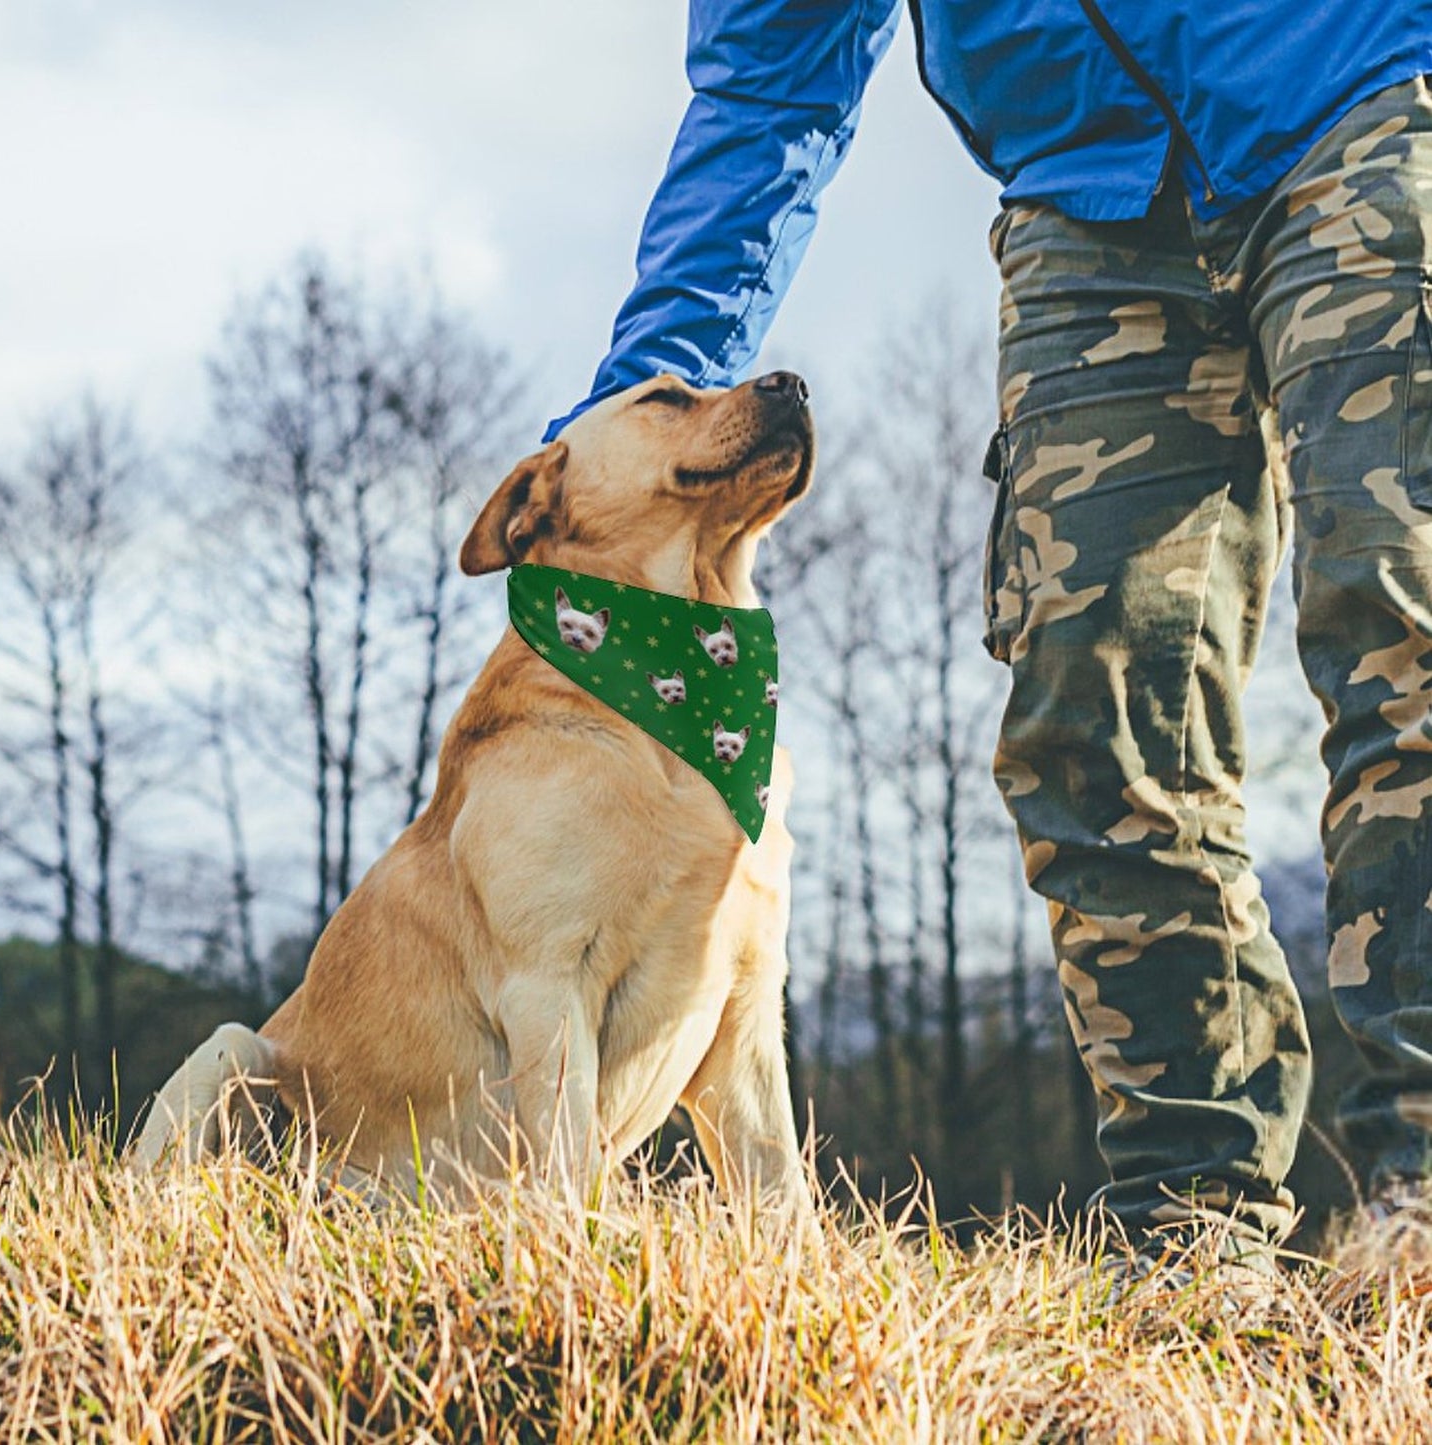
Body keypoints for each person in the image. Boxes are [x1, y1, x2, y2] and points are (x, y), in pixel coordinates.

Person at [546, 0, 1432, 1264]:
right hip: (1087, 199)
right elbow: (767, 92)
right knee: (1093, 719)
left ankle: (1421, 1200)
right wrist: (639, 413)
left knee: (1401, 621)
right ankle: (1192, 1230)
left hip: (1355, 86)